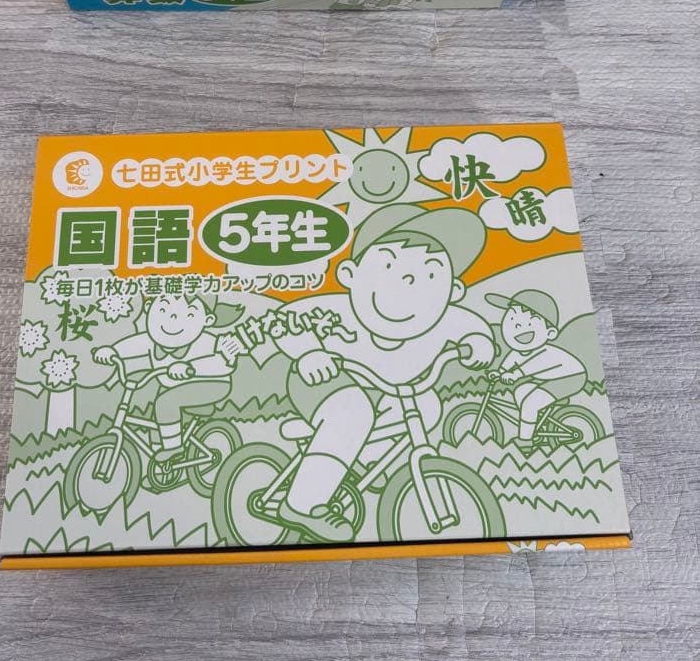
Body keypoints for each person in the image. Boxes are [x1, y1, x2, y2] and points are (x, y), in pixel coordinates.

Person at [269, 204, 495, 541]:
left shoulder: (447, 318)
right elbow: (284, 320)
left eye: (430, 276)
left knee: (427, 405)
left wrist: (478, 344)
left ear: (453, 291)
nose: (408, 285)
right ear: (349, 275)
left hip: (390, 388)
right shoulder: (335, 311)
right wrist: (309, 352)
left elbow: (473, 329)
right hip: (323, 380)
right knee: (352, 412)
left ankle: (361, 463)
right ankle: (301, 505)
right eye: (388, 266)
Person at [93, 292, 242, 461]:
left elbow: (222, 361)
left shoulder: (207, 341)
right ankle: (161, 463)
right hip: (174, 385)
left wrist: (191, 367)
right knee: (157, 419)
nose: (173, 319)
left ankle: (174, 448)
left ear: (207, 320)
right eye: (163, 310)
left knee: (165, 403)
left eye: (189, 315)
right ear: (148, 308)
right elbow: (131, 345)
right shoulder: (151, 341)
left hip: (212, 383)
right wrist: (112, 351)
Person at [486, 289, 587, 453]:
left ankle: (525, 442)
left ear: (550, 333)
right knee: (521, 391)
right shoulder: (517, 352)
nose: (518, 327)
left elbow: (531, 366)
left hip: (571, 377)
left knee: (530, 403)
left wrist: (515, 374)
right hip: (552, 380)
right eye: (513, 321)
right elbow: (509, 364)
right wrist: (499, 373)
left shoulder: (545, 352)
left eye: (529, 323)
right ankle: (536, 422)